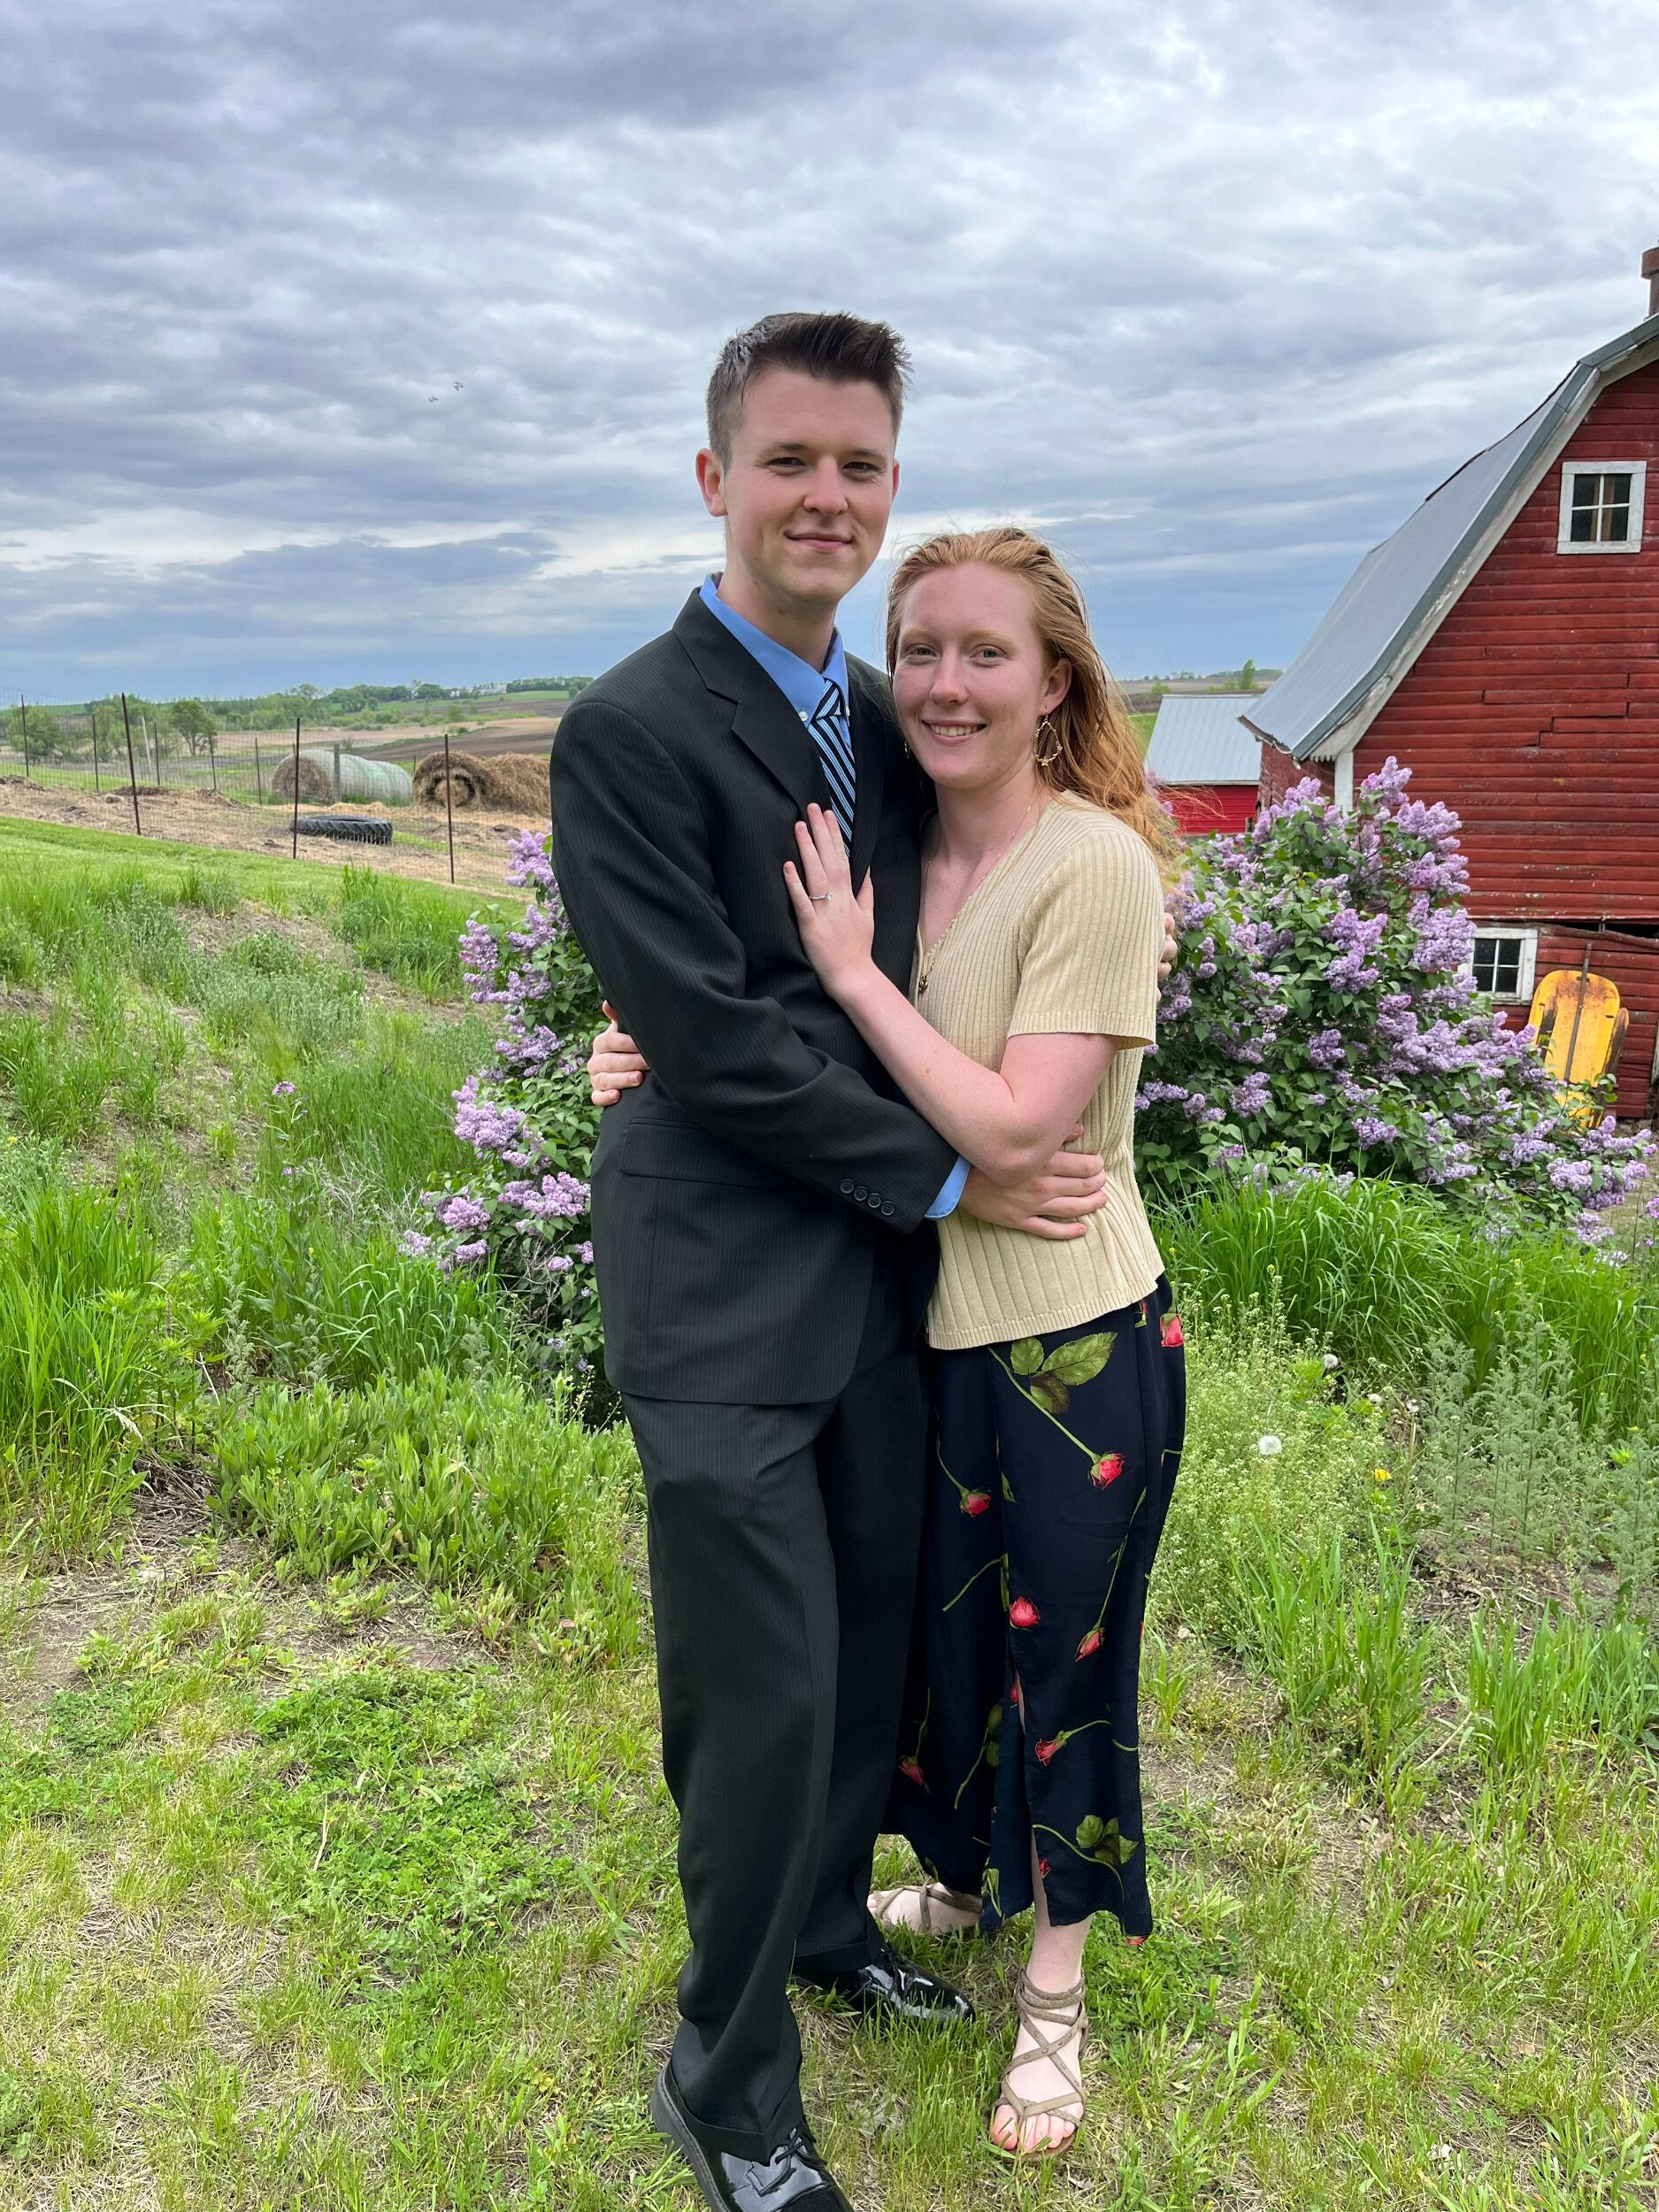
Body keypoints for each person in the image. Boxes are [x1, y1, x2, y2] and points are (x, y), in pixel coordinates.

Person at [549, 313, 1118, 2212]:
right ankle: (724, 2079)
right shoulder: (627, 729)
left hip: (879, 1295)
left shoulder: (882, 719)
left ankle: (817, 1923)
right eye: (788, 459)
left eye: (858, 464)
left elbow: (984, 930)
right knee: (757, 1688)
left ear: (888, 488)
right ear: (715, 478)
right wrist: (956, 1184)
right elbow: (707, 1031)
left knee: (866, 1650)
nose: (825, 495)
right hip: (720, 1293)